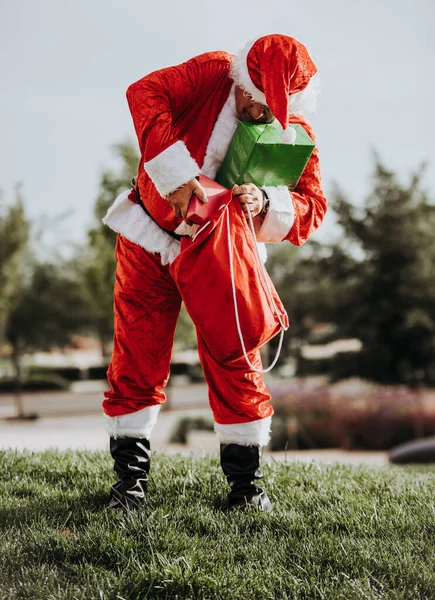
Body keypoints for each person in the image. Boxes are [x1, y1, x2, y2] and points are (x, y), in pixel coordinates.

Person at [102, 34, 327, 511]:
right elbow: (143, 92)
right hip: (148, 235)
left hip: (226, 252)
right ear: (242, 80)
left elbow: (314, 208)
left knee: (236, 357)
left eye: (270, 108)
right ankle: (130, 484)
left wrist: (266, 202)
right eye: (254, 98)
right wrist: (178, 179)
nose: (258, 111)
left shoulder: (296, 131)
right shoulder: (212, 70)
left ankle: (247, 489)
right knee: (138, 352)